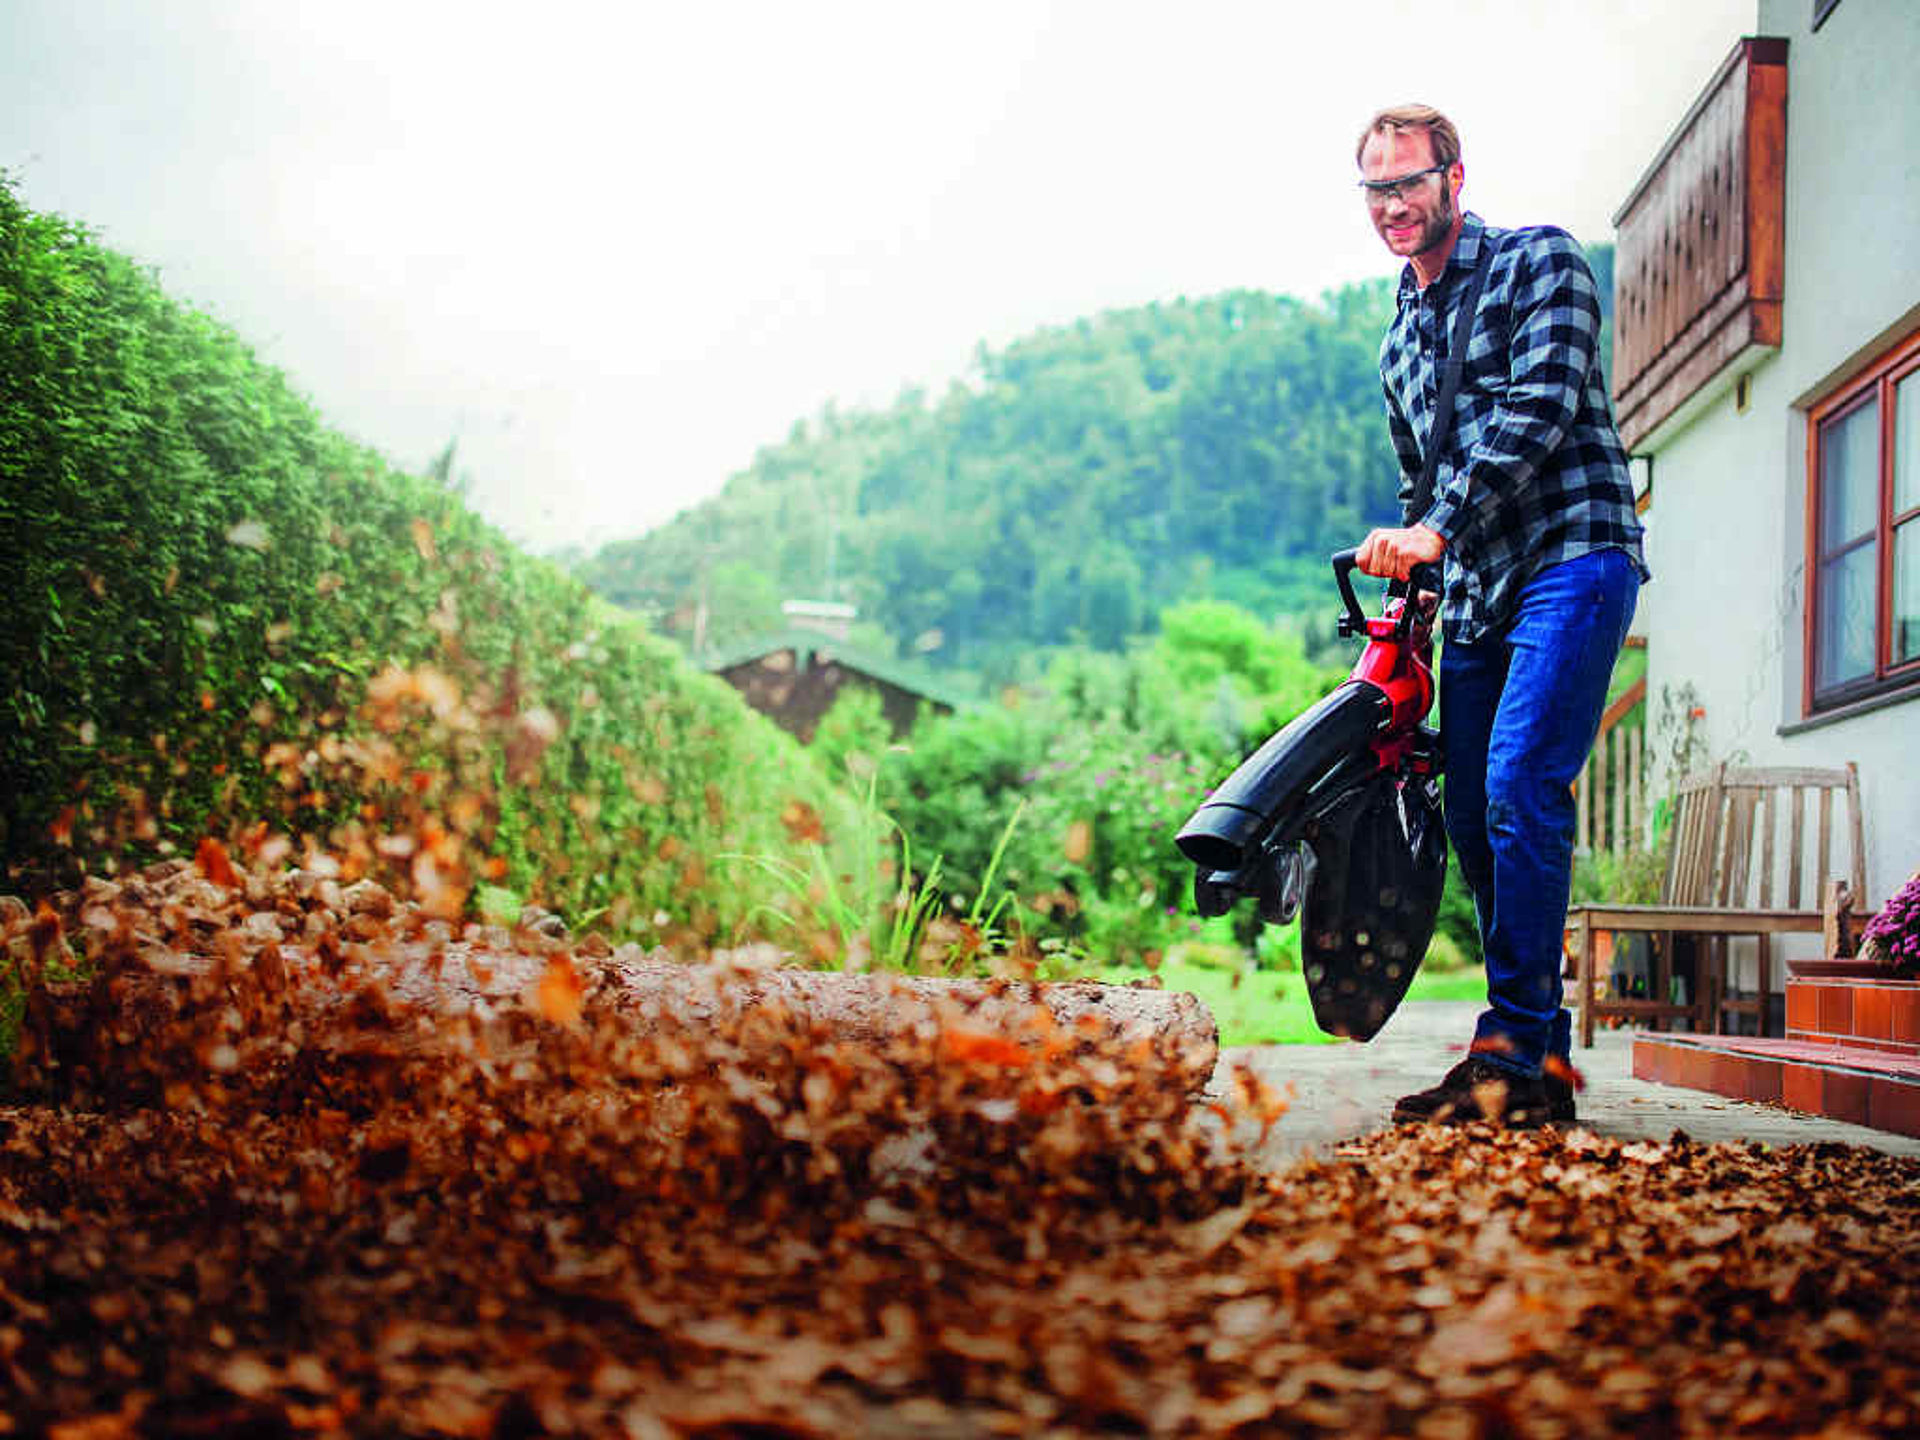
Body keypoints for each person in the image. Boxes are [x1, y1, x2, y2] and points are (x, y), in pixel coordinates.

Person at [1351, 103, 1648, 1127]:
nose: (1394, 204)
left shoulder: (1538, 264)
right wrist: (1409, 609)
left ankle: (1520, 1056)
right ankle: (1528, 1056)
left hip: (1574, 551)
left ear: (1454, 177)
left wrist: (1436, 525)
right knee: (1474, 813)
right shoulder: (1397, 341)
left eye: (1410, 182)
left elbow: (1545, 405)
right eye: (1377, 189)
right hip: (1476, 591)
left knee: (1524, 780)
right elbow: (1415, 490)